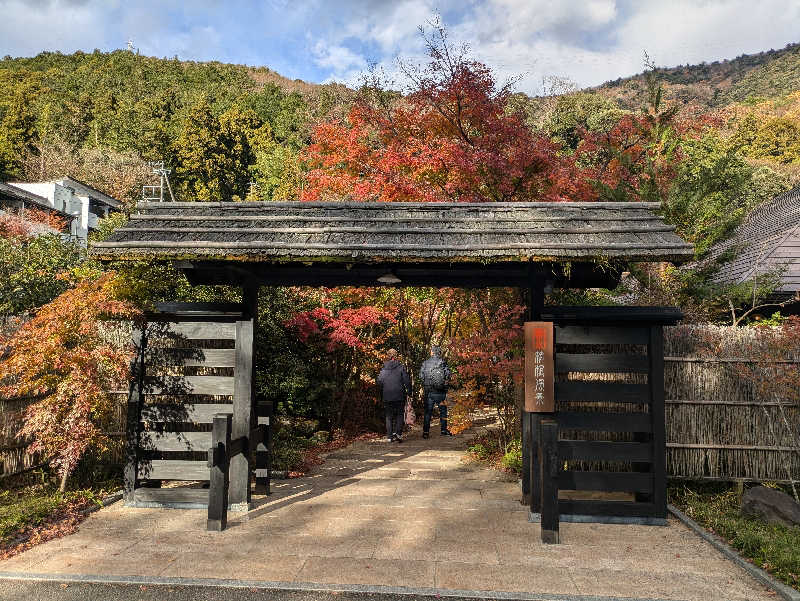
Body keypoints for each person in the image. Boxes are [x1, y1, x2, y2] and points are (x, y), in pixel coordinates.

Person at [377, 348, 410, 442]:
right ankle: (398, 434)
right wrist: (409, 392)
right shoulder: (401, 367)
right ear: (396, 356)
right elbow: (406, 381)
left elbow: (379, 381)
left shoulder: (384, 368)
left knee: (389, 416)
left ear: (388, 356)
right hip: (399, 394)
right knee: (400, 414)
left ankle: (389, 437)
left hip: (387, 395)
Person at [419, 345, 453, 438]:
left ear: (432, 352)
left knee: (428, 412)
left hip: (429, 392)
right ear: (439, 353)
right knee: (443, 411)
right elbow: (448, 375)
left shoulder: (425, 363)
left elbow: (421, 377)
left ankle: (426, 432)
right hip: (441, 392)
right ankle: (444, 430)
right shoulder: (443, 363)